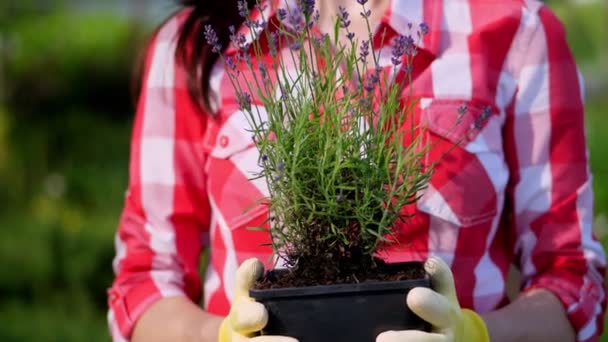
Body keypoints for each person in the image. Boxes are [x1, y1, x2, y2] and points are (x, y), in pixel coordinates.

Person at [106, 0, 607, 341]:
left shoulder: (515, 31)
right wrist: (215, 335)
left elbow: (572, 278)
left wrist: (476, 333)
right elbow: (144, 282)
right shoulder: (193, 51)